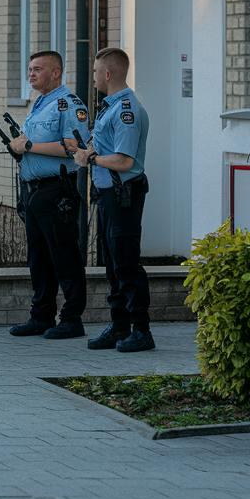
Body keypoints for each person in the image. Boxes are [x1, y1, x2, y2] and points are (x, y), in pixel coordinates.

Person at [72, 47, 153, 353]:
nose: (92, 78)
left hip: (124, 195)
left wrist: (92, 158)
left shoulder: (126, 111)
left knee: (126, 262)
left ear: (108, 73)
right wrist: (85, 150)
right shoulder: (110, 107)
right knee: (112, 265)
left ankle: (141, 329)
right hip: (108, 195)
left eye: (95, 72)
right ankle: (120, 326)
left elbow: (123, 161)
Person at [7, 51, 91, 340]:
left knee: (64, 255)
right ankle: (41, 315)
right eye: (29, 69)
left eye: (38, 69)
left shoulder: (68, 104)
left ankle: (71, 318)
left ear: (56, 73)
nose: (31, 74)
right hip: (35, 191)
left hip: (58, 189)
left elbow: (75, 145)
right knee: (39, 257)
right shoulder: (40, 104)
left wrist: (28, 146)